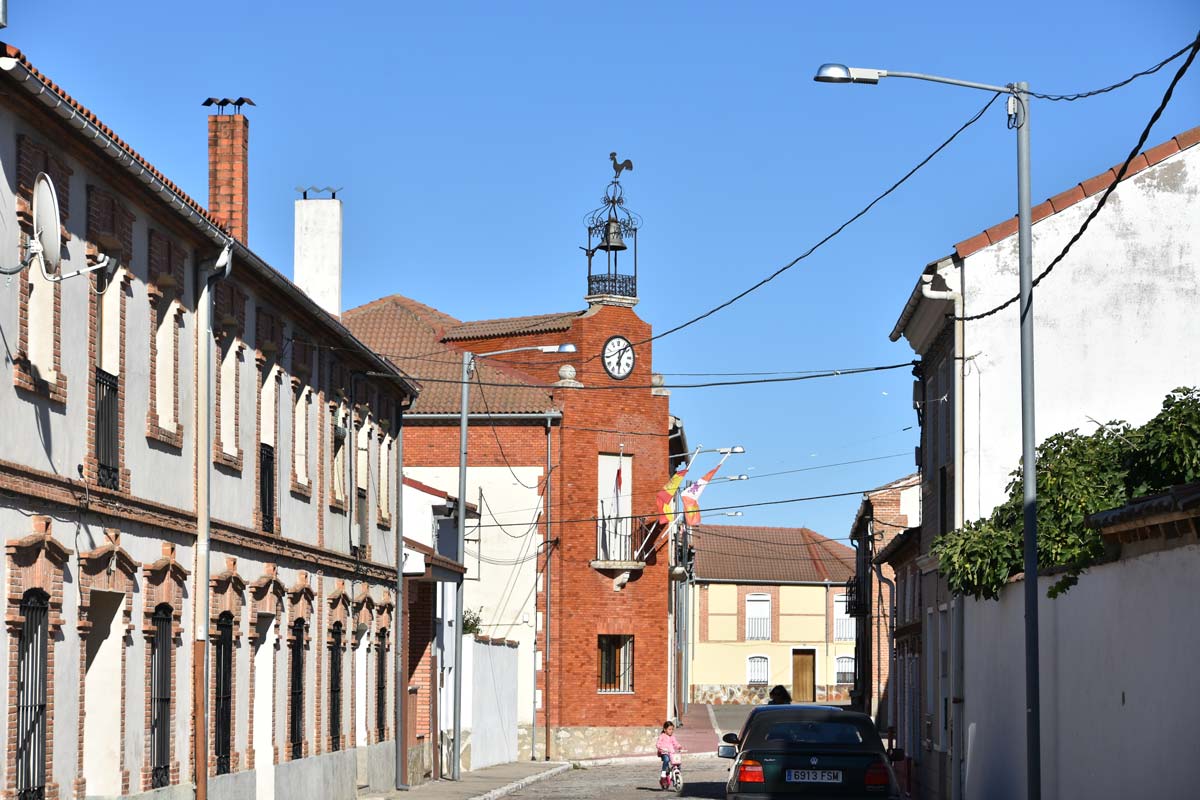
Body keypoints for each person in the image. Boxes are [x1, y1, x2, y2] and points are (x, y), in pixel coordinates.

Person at [655, 720, 682, 790]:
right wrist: (661, 748)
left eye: (672, 729)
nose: (671, 731)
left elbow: (675, 743)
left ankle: (676, 774)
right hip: (664, 752)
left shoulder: (672, 737)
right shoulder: (662, 736)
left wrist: (679, 746)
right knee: (666, 760)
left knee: (677, 762)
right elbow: (658, 744)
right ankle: (663, 773)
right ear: (665, 729)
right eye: (669, 729)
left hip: (671, 752)